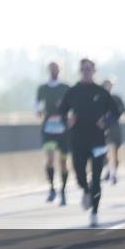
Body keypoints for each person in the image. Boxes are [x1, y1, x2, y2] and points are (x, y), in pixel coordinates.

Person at [58, 59, 121, 227]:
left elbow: (115, 113)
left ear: (94, 71)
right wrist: (67, 120)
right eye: (83, 69)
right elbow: (62, 112)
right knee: (79, 175)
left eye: (89, 69)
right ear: (80, 71)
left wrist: (105, 121)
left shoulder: (101, 92)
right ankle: (85, 191)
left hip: (98, 141)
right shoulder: (73, 92)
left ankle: (94, 213)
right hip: (78, 140)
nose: (86, 71)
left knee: (96, 177)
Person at [35, 61, 71, 205]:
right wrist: (38, 111)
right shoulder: (42, 88)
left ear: (60, 70)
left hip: (63, 130)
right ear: (48, 70)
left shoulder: (65, 87)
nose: (54, 71)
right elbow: (36, 104)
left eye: (56, 69)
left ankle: (63, 191)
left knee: (63, 162)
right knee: (50, 158)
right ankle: (51, 188)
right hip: (49, 128)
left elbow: (72, 105)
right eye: (51, 69)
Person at [101, 79, 125, 184]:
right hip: (102, 127)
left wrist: (113, 114)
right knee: (103, 152)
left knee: (115, 151)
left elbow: (123, 110)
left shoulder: (116, 98)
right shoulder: (99, 98)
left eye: (109, 85)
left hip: (114, 126)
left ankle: (114, 173)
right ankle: (108, 170)